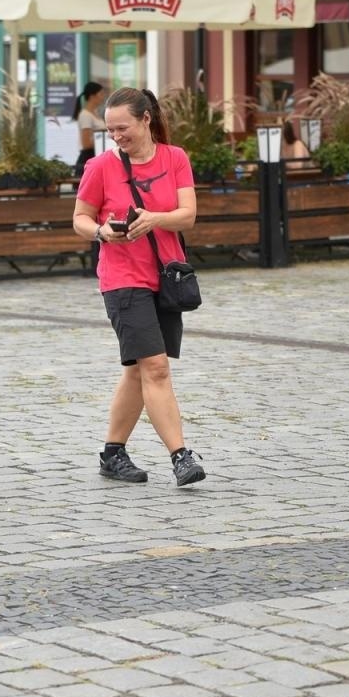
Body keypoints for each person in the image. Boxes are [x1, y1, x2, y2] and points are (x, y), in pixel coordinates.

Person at [72, 86, 205, 488]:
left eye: (123, 128)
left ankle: (112, 454)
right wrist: (100, 232)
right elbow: (80, 218)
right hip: (122, 279)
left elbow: (188, 216)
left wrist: (154, 219)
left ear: (146, 119)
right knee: (156, 367)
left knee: (138, 369)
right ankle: (181, 456)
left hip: (166, 276)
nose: (116, 137)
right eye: (111, 130)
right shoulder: (100, 167)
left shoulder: (175, 157)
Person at [72, 81, 106, 177]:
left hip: (97, 156)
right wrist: (104, 141)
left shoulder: (96, 114)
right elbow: (86, 143)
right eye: (101, 94)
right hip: (88, 158)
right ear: (92, 96)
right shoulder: (85, 115)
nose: (103, 97)